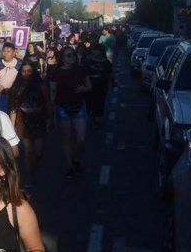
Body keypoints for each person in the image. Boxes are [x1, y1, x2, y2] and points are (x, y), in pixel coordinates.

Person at [50, 46, 91, 178]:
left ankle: (76, 159)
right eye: (68, 55)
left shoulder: (81, 70)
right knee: (67, 138)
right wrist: (52, 110)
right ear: (62, 58)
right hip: (63, 107)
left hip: (78, 106)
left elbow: (89, 86)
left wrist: (82, 89)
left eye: (73, 55)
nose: (71, 57)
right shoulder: (56, 72)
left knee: (81, 138)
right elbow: (52, 91)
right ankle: (69, 167)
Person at [8, 62, 51, 180]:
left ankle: (33, 165)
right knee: (29, 151)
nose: (26, 74)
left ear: (33, 72)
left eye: (29, 71)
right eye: (24, 71)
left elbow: (47, 103)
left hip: (38, 118)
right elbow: (13, 108)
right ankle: (29, 175)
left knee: (39, 151)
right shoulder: (17, 87)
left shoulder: (41, 86)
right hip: (23, 120)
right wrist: (12, 127)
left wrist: (51, 119)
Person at [84, 44, 113, 129]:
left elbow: (109, 73)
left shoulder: (106, 62)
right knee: (89, 101)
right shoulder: (88, 62)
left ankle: (97, 118)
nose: (96, 52)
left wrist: (113, 81)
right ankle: (89, 115)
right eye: (95, 50)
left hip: (102, 85)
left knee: (100, 101)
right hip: (90, 84)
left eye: (98, 50)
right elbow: (84, 73)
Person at [0, 42, 22, 114]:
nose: (5, 53)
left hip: (15, 95)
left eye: (8, 51)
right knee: (2, 114)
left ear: (13, 53)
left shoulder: (20, 64)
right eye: (4, 51)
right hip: (1, 95)